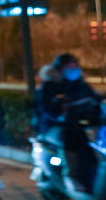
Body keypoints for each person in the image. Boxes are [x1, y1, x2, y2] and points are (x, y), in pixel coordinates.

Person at [39, 53, 102, 192]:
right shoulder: (51, 85)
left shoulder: (81, 84)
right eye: (69, 66)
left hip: (82, 124)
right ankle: (72, 176)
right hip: (58, 126)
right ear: (60, 69)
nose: (73, 69)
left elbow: (95, 98)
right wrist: (60, 117)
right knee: (72, 138)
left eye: (75, 66)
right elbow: (46, 109)